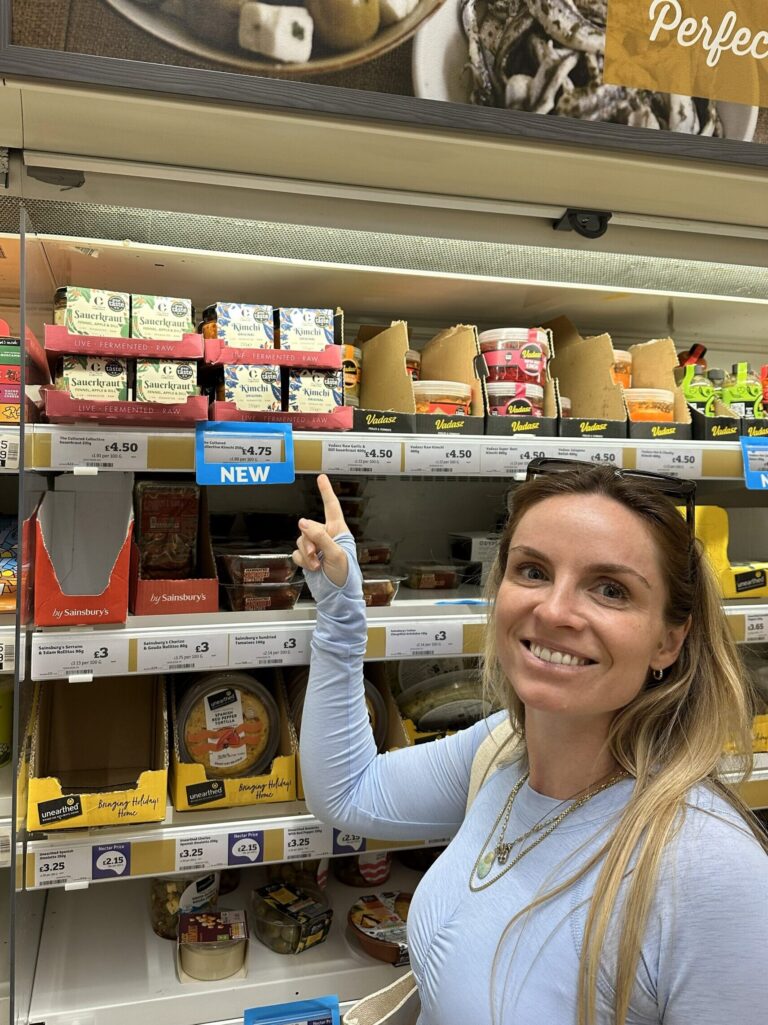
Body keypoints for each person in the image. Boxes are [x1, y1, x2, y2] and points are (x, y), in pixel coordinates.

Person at [293, 462, 768, 1025]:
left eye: (610, 589)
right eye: (534, 571)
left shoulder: (710, 870)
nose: (554, 610)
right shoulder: (501, 751)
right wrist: (341, 615)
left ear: (669, 639)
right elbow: (348, 794)